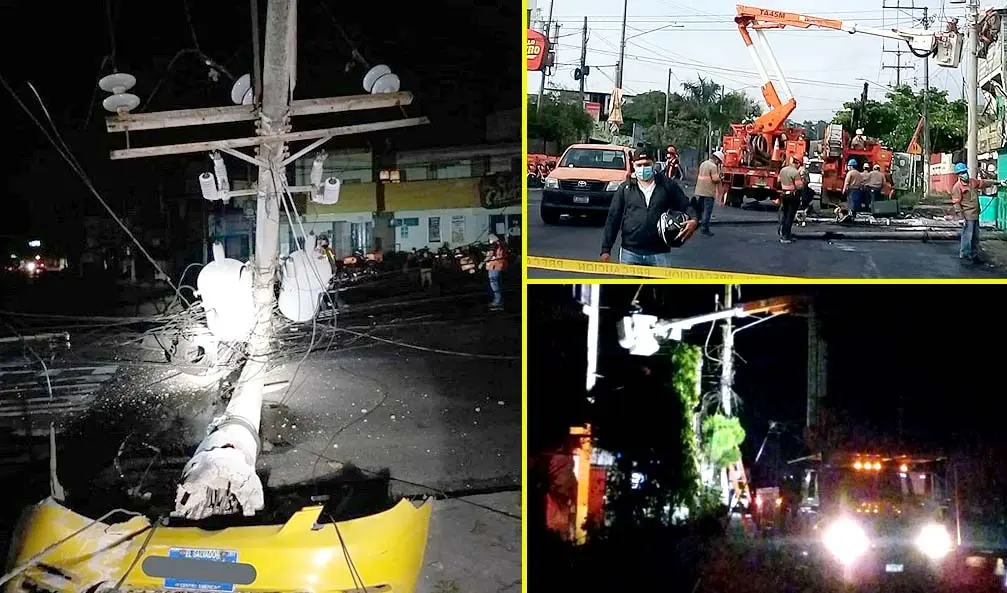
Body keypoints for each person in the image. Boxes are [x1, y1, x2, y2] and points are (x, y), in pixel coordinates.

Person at [600, 148, 699, 266]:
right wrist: (606, 250)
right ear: (633, 165)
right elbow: (613, 219)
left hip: (659, 253)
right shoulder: (625, 189)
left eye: (647, 164)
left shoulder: (667, 186)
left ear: (654, 163)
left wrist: (694, 219)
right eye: (639, 165)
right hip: (630, 253)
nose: (643, 168)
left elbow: (685, 205)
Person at [951, 162, 1003, 264]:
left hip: (975, 214)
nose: (965, 174)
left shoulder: (972, 182)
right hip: (967, 216)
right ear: (958, 175)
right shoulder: (957, 187)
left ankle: (974, 254)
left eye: (965, 171)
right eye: (962, 172)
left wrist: (998, 182)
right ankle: (965, 255)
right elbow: (956, 203)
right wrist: (961, 217)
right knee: (967, 236)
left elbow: (983, 183)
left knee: (975, 236)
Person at [696, 149, 724, 236]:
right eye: (719, 162)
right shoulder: (713, 166)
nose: (718, 164)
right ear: (716, 159)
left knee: (700, 210)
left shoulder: (703, 163)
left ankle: (696, 225)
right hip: (708, 192)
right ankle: (704, 229)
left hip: (700, 190)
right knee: (707, 211)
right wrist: (721, 178)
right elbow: (715, 179)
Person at [777, 156, 803, 244]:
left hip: (784, 194)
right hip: (793, 195)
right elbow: (799, 186)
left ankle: (782, 231)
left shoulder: (783, 170)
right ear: (798, 163)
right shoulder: (795, 173)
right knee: (790, 216)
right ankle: (786, 235)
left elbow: (778, 181)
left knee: (784, 214)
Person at [484, 233, 508, 310]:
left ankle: (497, 302)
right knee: (497, 283)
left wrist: (482, 262)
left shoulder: (494, 245)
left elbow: (490, 255)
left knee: (494, 283)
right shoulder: (501, 244)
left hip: (493, 266)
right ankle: (500, 302)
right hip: (499, 265)